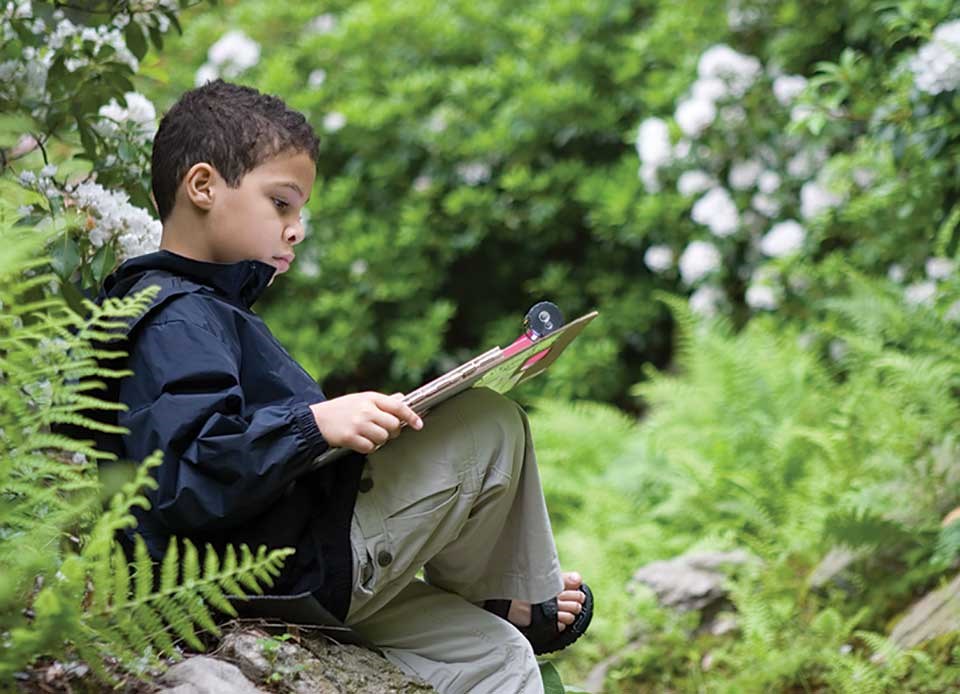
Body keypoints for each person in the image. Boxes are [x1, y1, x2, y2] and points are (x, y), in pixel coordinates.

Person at [95, 79, 593, 693]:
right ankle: (511, 597)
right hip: (273, 570)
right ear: (202, 187)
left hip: (286, 574)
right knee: (489, 424)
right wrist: (314, 425)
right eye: (281, 203)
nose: (296, 228)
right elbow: (186, 477)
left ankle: (505, 613)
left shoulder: (204, 312)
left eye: (300, 211)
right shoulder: (176, 316)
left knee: (496, 658)